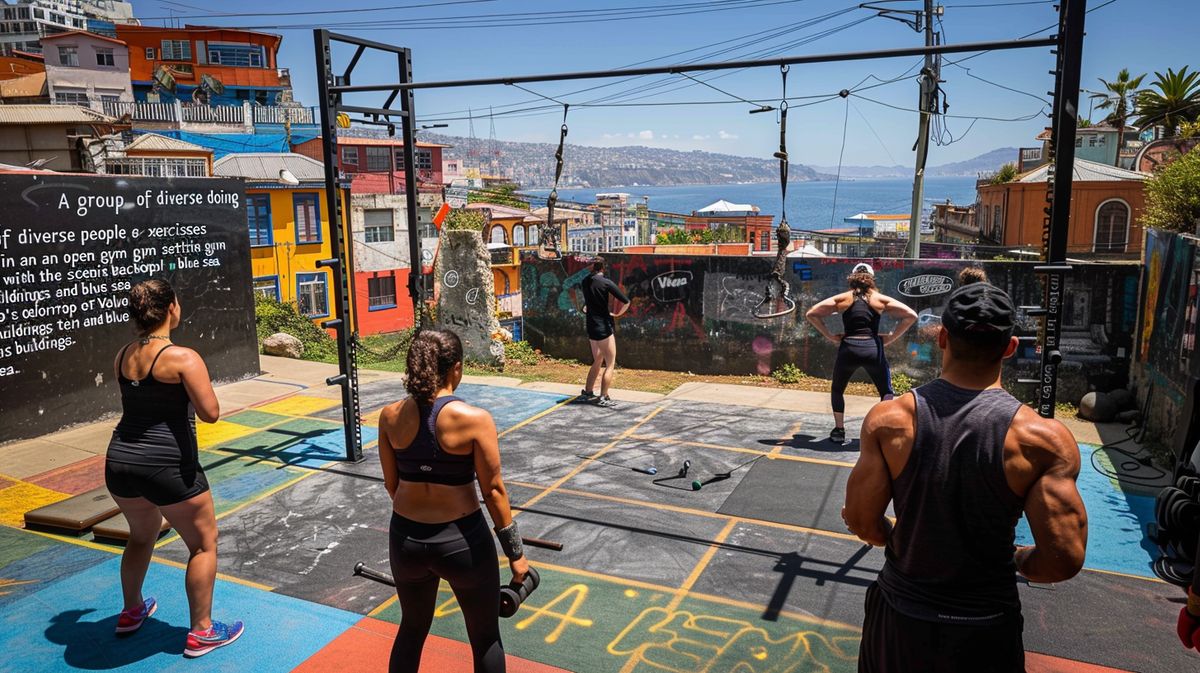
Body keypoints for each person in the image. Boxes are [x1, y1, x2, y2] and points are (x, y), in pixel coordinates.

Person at [843, 282, 1088, 673]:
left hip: (903, 621)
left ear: (942, 337)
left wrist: (899, 538)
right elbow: (1062, 560)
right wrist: (1019, 559)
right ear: (1009, 347)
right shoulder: (1042, 440)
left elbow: (860, 520)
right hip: (985, 628)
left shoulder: (889, 420)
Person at [104, 279, 243, 657]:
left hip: (120, 463)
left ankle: (131, 611)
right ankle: (202, 632)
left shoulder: (122, 355)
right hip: (168, 468)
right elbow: (210, 414)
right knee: (203, 545)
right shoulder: (183, 358)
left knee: (140, 536)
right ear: (172, 308)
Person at [378, 329, 529, 673]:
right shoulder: (474, 420)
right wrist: (516, 556)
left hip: (407, 540)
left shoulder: (389, 416)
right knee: (485, 636)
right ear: (456, 369)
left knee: (412, 628)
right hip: (462, 542)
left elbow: (392, 484)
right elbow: (493, 492)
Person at [805, 263, 918, 444]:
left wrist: (830, 336)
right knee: (886, 391)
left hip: (848, 347)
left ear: (852, 277)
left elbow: (811, 313)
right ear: (871, 279)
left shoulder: (843, 298)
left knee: (837, 389)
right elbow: (911, 315)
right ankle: (882, 429)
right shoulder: (879, 299)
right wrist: (890, 338)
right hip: (872, 348)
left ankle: (839, 430)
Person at [579, 258, 630, 408]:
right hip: (604, 327)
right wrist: (618, 314)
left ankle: (588, 392)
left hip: (591, 327)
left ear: (592, 267)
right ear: (603, 268)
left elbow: (586, 306)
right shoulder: (606, 283)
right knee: (610, 363)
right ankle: (603, 396)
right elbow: (626, 301)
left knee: (598, 360)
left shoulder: (585, 282)